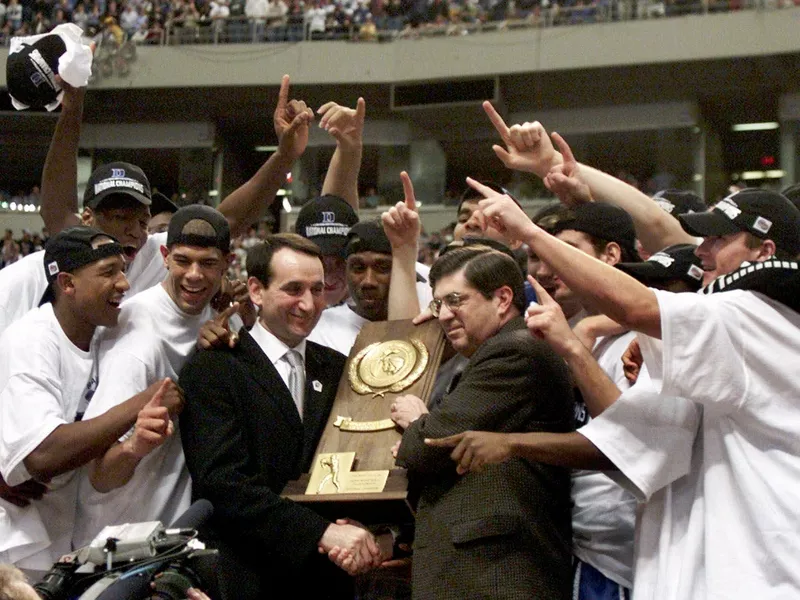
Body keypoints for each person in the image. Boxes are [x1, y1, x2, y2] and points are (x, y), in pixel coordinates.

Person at [460, 180, 800, 600]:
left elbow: (633, 305)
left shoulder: (755, 315)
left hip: (756, 573)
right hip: (706, 565)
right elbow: (638, 446)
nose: (701, 250)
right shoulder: (736, 333)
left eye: (719, 238)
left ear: (764, 252)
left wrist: (531, 234)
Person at [0, 73, 313, 338]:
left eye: (141, 220)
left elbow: (228, 220)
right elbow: (55, 210)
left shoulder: (156, 254)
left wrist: (283, 157)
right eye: (118, 217)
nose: (132, 230)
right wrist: (72, 109)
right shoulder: (47, 266)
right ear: (86, 219)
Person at [179, 233, 387, 600]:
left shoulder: (338, 367)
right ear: (256, 291)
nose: (308, 304)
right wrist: (320, 533)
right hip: (247, 576)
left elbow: (349, 462)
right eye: (293, 289)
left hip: (327, 576)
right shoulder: (214, 367)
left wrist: (357, 526)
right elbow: (222, 483)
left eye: (317, 290)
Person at [392, 246, 575, 600]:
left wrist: (418, 421)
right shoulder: (498, 351)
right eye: (437, 304)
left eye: (455, 300)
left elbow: (427, 445)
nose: (444, 315)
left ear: (503, 298)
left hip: (498, 573)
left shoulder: (515, 351)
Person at [0, 227, 181, 570]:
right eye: (108, 273)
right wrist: (142, 401)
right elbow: (42, 454)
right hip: (15, 542)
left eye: (123, 271)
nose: (124, 284)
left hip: (59, 535)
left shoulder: (100, 334)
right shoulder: (31, 342)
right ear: (67, 284)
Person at [72, 205, 232, 548]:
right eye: (183, 260)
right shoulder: (137, 338)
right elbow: (99, 473)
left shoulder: (217, 315)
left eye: (208, 263)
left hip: (170, 529)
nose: (194, 275)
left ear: (227, 264)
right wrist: (135, 447)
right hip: (115, 538)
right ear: (164, 256)